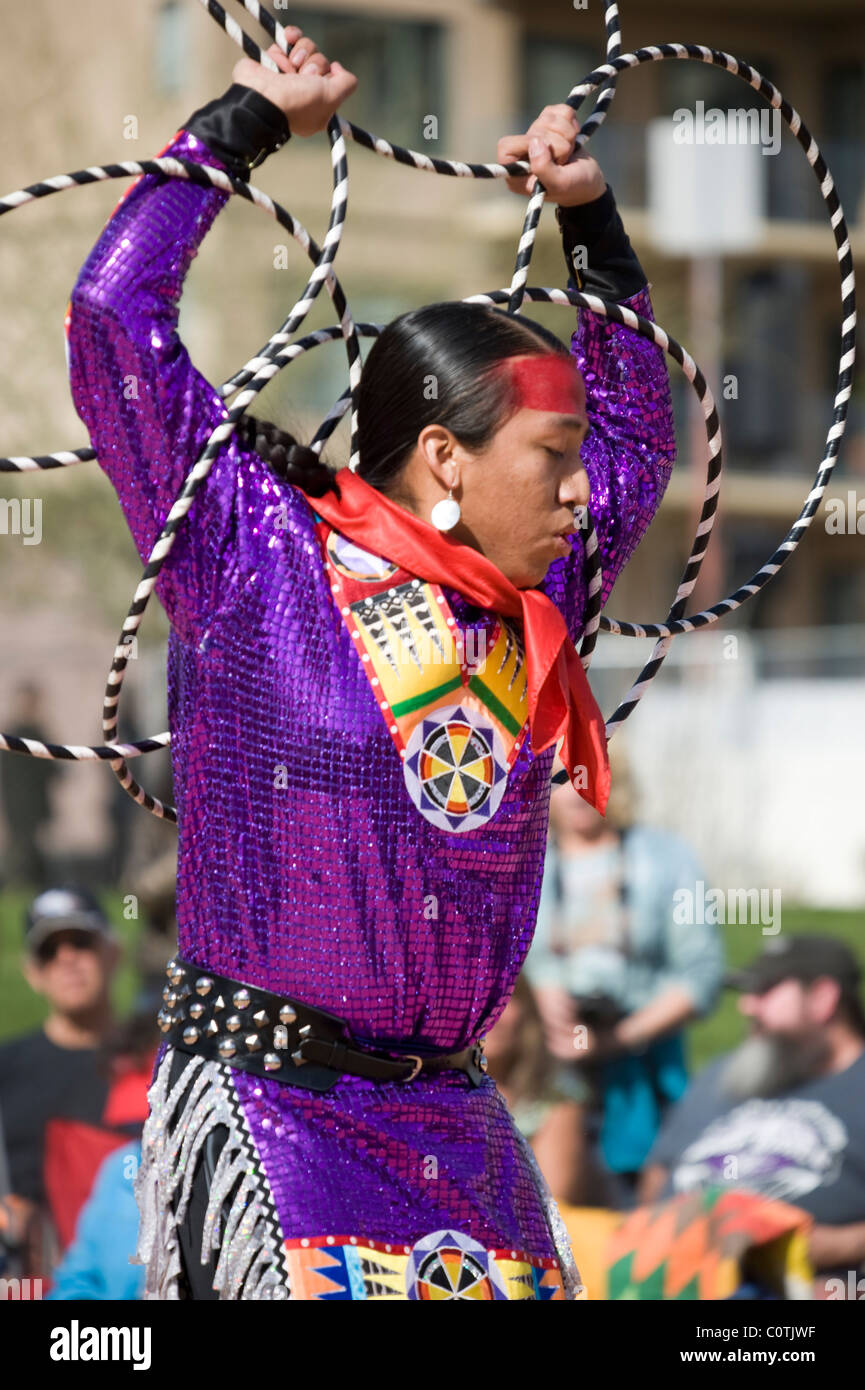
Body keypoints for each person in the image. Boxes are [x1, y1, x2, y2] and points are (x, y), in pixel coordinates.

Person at [65, 24, 676, 1302]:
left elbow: (637, 443)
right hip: (276, 1114)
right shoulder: (251, 544)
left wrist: (589, 217)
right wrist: (245, 122)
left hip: (459, 1131)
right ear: (448, 460)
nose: (581, 491)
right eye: (546, 458)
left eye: (572, 463)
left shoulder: (530, 599)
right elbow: (115, 323)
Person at [524, 745, 724, 1196]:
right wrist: (538, 996)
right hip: (545, 1070)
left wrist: (619, 1038)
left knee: (636, 1209)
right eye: (562, 779)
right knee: (550, 1204)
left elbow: (702, 974)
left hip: (642, 1067)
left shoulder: (667, 858)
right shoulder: (524, 859)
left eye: (586, 775)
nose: (576, 792)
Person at [639, 935, 865, 1289]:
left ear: (823, 999)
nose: (747, 1006)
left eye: (766, 992)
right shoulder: (724, 1074)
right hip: (673, 1277)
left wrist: (836, 1250)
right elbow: (659, 1170)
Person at [0, 885, 118, 1276]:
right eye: (49, 952)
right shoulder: (7, 1069)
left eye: (81, 943)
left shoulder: (157, 1064)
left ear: (113, 953)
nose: (67, 959)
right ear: (33, 973)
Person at [484, 973, 611, 1208]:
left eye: (505, 999)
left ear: (525, 1011)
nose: (492, 1014)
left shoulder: (557, 1097)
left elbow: (553, 1204)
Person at [0, 681, 60, 888]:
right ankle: (16, 884)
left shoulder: (38, 733)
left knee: (32, 846)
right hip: (18, 803)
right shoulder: (12, 736)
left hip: (35, 803)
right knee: (21, 848)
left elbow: (51, 769)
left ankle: (33, 885)